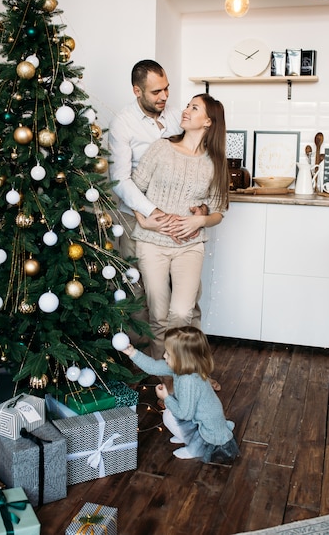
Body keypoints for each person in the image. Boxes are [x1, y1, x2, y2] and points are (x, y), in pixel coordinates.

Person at [108, 60, 205, 336]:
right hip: (136, 219)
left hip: (179, 218)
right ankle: (146, 369)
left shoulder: (177, 117)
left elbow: (197, 159)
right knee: (139, 293)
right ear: (137, 91)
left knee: (187, 294)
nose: (164, 96)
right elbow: (120, 179)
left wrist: (199, 207)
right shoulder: (122, 124)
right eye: (155, 92)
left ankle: (191, 366)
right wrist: (152, 213)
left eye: (166, 89)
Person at [131, 93, 229, 360]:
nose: (185, 110)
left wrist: (200, 220)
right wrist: (143, 220)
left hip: (190, 247)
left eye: (194, 108)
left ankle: (183, 372)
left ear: (208, 122)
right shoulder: (161, 148)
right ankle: (165, 381)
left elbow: (219, 210)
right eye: (187, 105)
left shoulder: (216, 162)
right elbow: (134, 191)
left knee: (182, 314)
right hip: (152, 244)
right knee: (159, 316)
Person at [122, 326, 240, 463]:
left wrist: (165, 397)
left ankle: (195, 447)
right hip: (197, 416)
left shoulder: (188, 380)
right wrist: (132, 353)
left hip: (205, 425)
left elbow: (184, 415)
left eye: (169, 354)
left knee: (168, 416)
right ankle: (186, 435)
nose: (164, 355)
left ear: (183, 359)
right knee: (170, 411)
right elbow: (153, 367)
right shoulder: (182, 368)